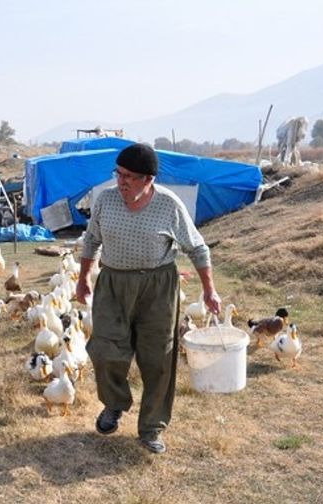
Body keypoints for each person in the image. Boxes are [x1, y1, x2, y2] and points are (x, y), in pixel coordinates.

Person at [75, 143, 221, 454]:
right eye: (119, 174)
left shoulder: (169, 205)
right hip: (113, 283)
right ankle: (114, 405)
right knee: (104, 348)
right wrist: (84, 277)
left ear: (148, 179)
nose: (121, 181)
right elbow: (91, 240)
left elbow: (197, 248)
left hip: (158, 287)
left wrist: (209, 289)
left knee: (158, 358)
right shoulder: (106, 201)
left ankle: (152, 427)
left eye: (129, 176)